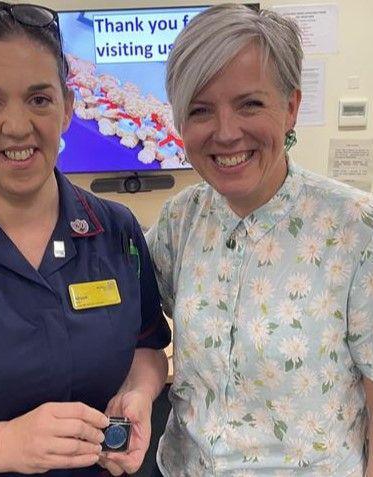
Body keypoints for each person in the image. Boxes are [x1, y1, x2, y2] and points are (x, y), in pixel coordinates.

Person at [0, 2, 170, 476]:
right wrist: (6, 443)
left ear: (66, 108)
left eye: (39, 99)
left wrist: (138, 394)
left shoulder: (116, 231)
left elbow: (148, 347)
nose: (18, 125)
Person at [147, 4, 373, 476]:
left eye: (250, 104)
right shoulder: (177, 222)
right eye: (200, 110)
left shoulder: (356, 228)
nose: (226, 133)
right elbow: (136, 336)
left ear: (290, 107)